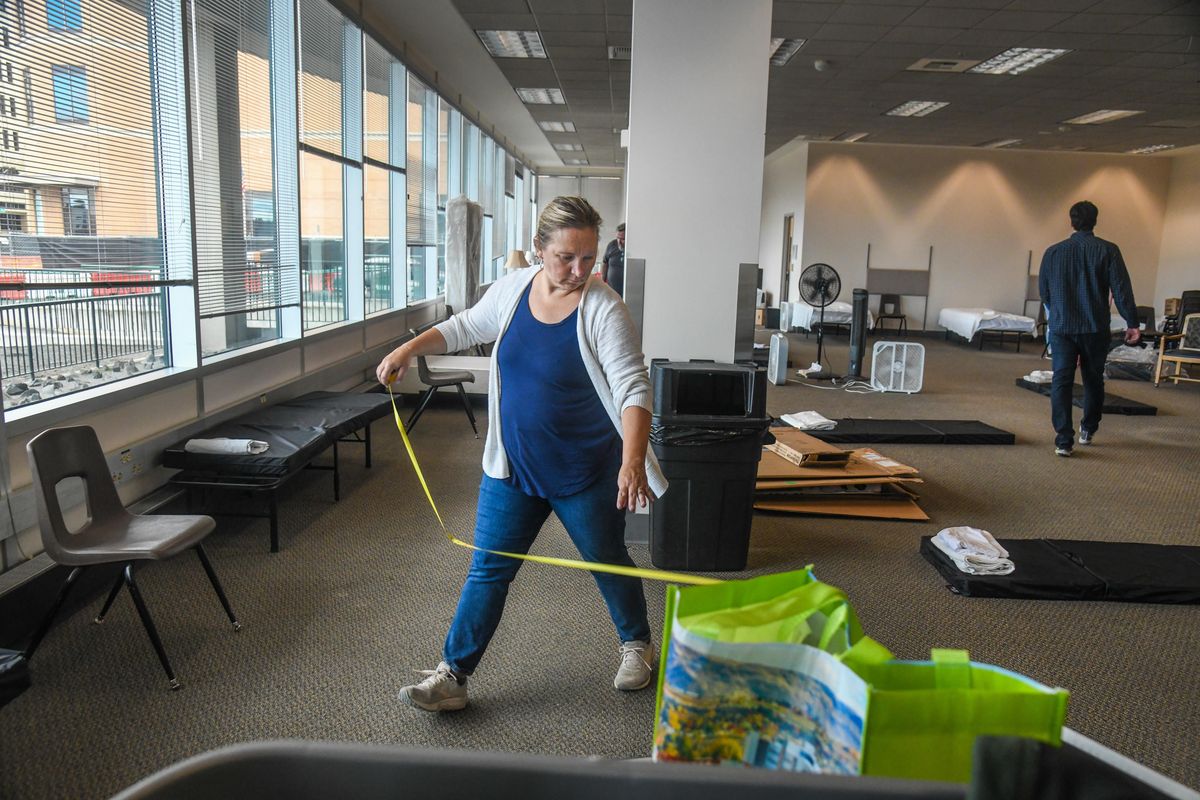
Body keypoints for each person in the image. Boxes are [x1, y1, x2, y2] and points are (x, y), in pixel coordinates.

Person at [375, 197, 665, 712]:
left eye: (588, 258)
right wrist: (407, 350)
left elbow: (633, 388)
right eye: (566, 258)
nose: (579, 271)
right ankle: (454, 676)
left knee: (607, 561)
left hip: (584, 472)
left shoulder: (604, 307)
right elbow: (464, 327)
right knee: (488, 569)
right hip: (513, 467)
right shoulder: (512, 290)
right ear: (539, 251)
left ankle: (638, 644)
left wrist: (632, 460)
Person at [1038, 200, 1140, 457]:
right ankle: (1088, 428)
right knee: (1093, 379)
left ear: (1071, 222)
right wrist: (1132, 323)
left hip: (1062, 327)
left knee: (1061, 380)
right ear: (1095, 221)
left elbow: (1044, 293)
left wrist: (1060, 310)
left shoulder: (1053, 252)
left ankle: (1063, 440)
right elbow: (1121, 289)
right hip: (1095, 326)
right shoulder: (1108, 250)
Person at [601, 222, 626, 297]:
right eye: (618, 238)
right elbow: (605, 263)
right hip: (611, 291)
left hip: (627, 293)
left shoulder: (633, 248)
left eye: (623, 239)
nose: (619, 242)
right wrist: (602, 281)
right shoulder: (612, 244)